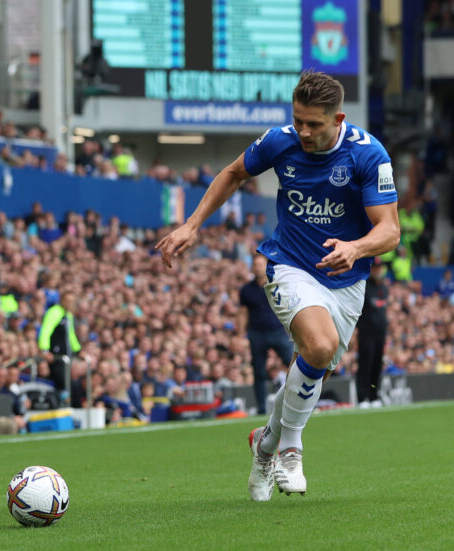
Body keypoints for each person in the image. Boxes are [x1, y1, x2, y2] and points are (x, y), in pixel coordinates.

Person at [155, 71, 400, 501]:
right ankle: (291, 449)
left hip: (345, 278)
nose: (303, 131)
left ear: (338, 119)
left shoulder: (368, 154)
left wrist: (357, 248)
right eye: (298, 120)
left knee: (314, 366)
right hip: (290, 264)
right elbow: (234, 172)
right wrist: (192, 224)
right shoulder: (279, 141)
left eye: (314, 124)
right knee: (319, 347)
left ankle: (265, 443)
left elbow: (390, 230)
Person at [239, 254, 294, 415]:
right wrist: (240, 335)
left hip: (278, 332)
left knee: (294, 365)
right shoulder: (246, 290)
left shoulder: (277, 285)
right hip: (257, 334)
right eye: (255, 265)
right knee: (259, 372)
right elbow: (243, 314)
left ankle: (301, 401)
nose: (257, 268)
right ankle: (262, 408)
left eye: (260, 265)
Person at [355, 257, 389, 407]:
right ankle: (362, 397)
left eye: (379, 267)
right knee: (365, 364)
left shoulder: (383, 288)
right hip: (366, 332)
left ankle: (374, 396)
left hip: (380, 333)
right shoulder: (365, 287)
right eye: (375, 267)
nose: (378, 270)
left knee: (377, 364)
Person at [37, 291, 81, 397]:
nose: (69, 304)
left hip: (66, 357)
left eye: (72, 301)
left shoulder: (68, 315)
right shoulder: (54, 312)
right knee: (63, 382)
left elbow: (71, 335)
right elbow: (46, 331)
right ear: (62, 300)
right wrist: (44, 350)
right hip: (56, 356)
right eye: (67, 301)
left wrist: (78, 350)